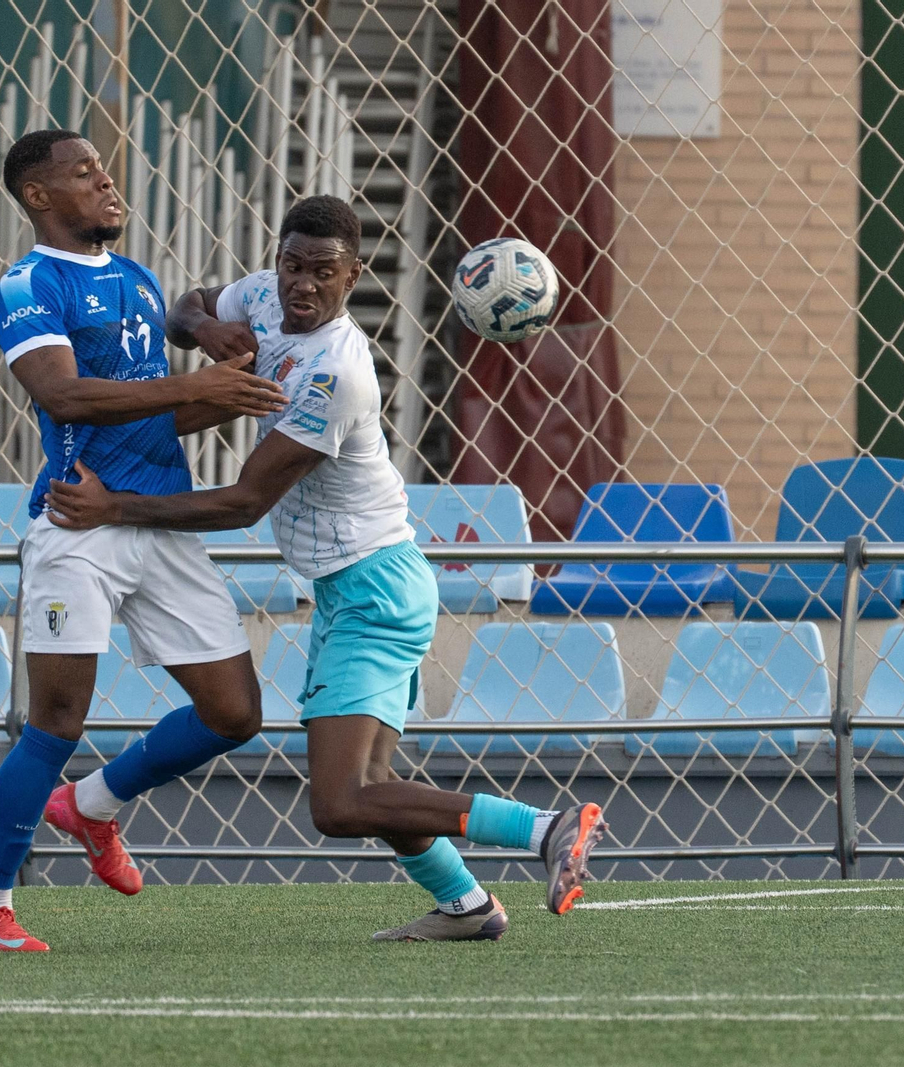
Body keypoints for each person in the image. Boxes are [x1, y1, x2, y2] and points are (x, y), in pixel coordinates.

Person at [46, 194, 606, 941]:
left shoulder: (336, 373)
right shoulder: (268, 298)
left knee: (340, 802)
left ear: (355, 276)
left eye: (323, 272)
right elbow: (186, 307)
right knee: (373, 786)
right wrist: (210, 329)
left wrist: (113, 507)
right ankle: (467, 905)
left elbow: (245, 501)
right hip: (361, 585)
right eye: (292, 265)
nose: (301, 285)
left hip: (372, 587)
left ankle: (545, 828)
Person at [0, 129, 287, 953]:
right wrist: (196, 382)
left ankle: (93, 804)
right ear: (39, 196)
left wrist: (240, 396)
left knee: (235, 711)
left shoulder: (137, 281)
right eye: (83, 173)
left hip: (154, 519)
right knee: (56, 721)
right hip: (79, 526)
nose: (107, 183)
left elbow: (159, 409)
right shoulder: (29, 283)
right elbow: (64, 396)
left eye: (104, 169)